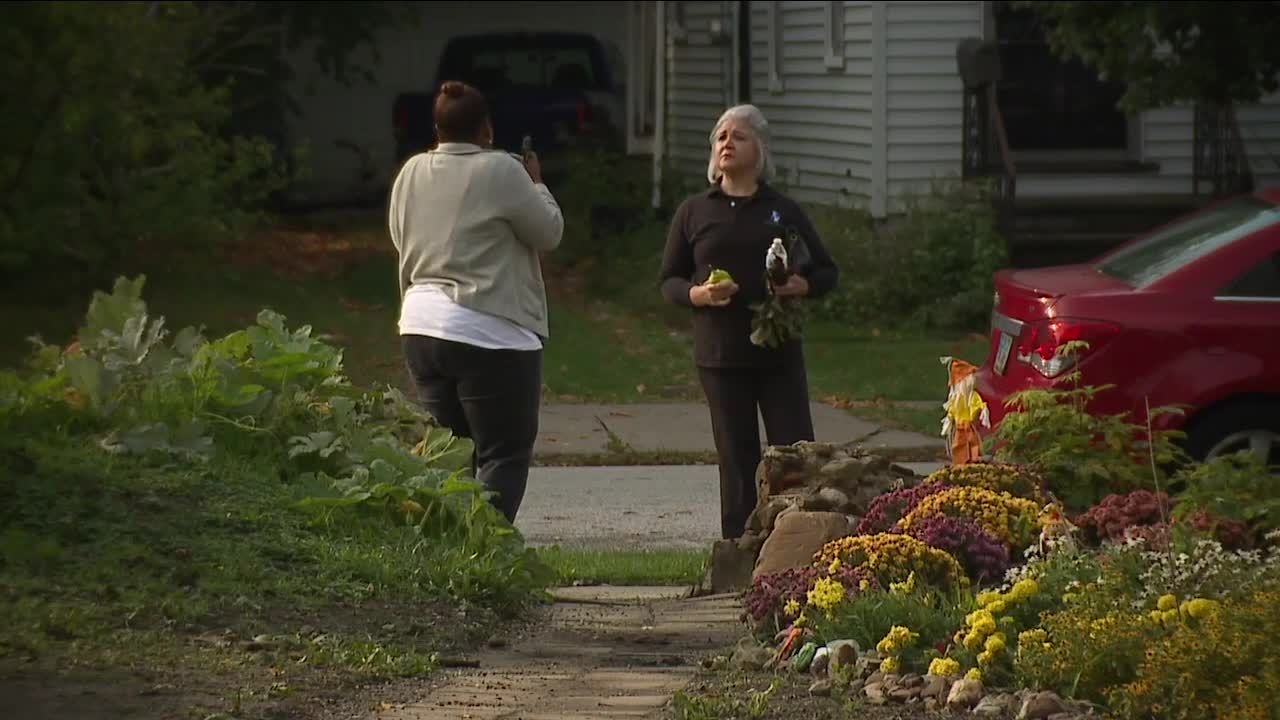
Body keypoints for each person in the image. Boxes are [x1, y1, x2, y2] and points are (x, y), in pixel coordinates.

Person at [657, 104, 839, 540]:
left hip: (778, 352)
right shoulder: (695, 211)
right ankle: (738, 550)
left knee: (794, 451)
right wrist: (697, 294)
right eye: (720, 136)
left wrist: (801, 285)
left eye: (738, 136)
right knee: (737, 459)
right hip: (721, 355)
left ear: (759, 149)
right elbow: (669, 281)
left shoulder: (782, 209)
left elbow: (826, 272)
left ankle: (798, 544)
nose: (727, 143)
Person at [387, 80, 564, 524]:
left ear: (437, 128)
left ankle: (445, 551)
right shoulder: (502, 171)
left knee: (449, 455)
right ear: (486, 129)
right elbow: (548, 233)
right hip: (490, 327)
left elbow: (398, 235)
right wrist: (537, 184)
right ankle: (486, 554)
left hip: (421, 324)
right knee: (503, 453)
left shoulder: (410, 172)